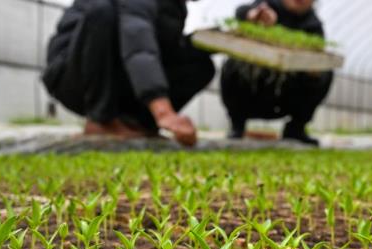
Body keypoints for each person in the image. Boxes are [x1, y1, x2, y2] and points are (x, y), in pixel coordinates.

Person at [42, 0, 215, 146]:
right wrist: (164, 112)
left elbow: (160, 49)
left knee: (199, 62)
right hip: (73, 74)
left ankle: (139, 124)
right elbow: (138, 40)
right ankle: (101, 120)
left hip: (120, 75)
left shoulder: (176, 6)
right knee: (102, 12)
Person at [221, 0, 334, 146]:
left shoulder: (313, 26)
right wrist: (254, 16)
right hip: (253, 91)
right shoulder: (269, 5)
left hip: (286, 96)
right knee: (232, 63)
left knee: (323, 71)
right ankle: (237, 125)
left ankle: (295, 129)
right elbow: (242, 11)